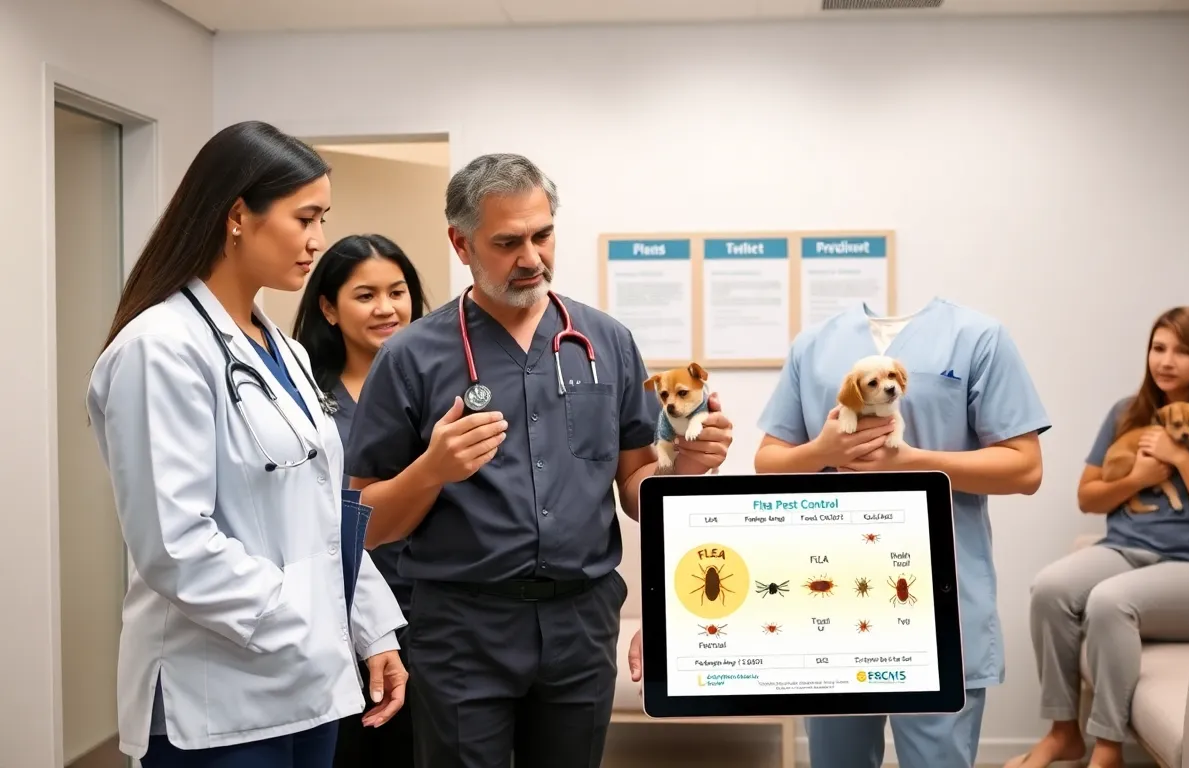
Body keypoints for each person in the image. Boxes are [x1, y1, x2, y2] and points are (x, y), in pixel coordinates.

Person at [342, 153, 735, 768]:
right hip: (460, 627)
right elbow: (362, 518)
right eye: (507, 242)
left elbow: (635, 487)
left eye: (543, 234)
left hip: (581, 619)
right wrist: (433, 470)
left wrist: (683, 465)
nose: (531, 258)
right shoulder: (412, 357)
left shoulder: (605, 341)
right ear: (460, 242)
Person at [85, 121, 409, 768]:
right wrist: (307, 628)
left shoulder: (280, 350)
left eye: (323, 219)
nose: (319, 240)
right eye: (305, 218)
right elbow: (174, 545)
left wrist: (372, 628)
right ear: (238, 215)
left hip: (306, 684)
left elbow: (321, 514)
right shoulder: (162, 349)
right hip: (215, 698)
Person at [754, 298, 1051, 768]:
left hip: (938, 596)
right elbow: (768, 464)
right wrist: (823, 450)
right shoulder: (813, 346)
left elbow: (1025, 468)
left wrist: (911, 462)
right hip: (831, 597)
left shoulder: (977, 338)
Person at [1010, 307, 1189, 768]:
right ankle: (1063, 734)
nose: (1166, 361)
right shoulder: (1126, 413)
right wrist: (1142, 475)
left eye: (1182, 351)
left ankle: (1108, 749)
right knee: (1050, 590)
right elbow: (1088, 497)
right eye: (1158, 348)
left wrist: (1181, 458)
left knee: (1110, 603)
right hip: (1127, 551)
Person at [291, 233, 429, 768]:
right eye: (365, 295)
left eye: (398, 292)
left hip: (435, 605)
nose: (387, 308)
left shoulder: (443, 384)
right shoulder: (303, 395)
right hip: (340, 609)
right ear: (328, 307)